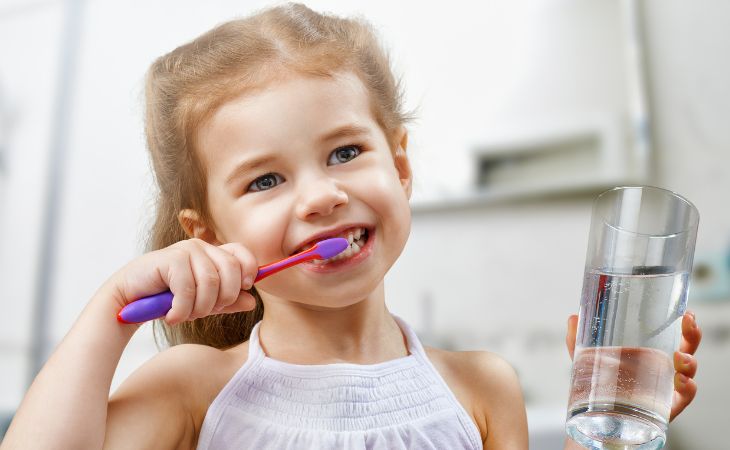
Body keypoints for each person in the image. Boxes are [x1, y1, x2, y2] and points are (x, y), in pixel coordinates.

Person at [1, 4, 701, 449]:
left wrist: (615, 429)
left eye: (345, 152)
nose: (321, 196)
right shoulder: (192, 389)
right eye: (266, 180)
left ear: (399, 166)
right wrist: (109, 311)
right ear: (208, 234)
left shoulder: (484, 389)